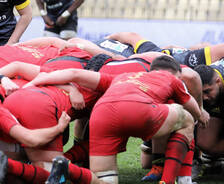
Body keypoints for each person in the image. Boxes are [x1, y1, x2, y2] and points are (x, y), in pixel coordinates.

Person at [33, 56, 201, 184]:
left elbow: (75, 73)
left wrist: (36, 81)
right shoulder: (171, 79)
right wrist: (201, 116)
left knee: (104, 180)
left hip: (102, 114)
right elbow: (191, 106)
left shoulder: (122, 77)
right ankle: (170, 181)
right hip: (139, 108)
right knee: (186, 118)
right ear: (176, 75)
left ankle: (65, 167)